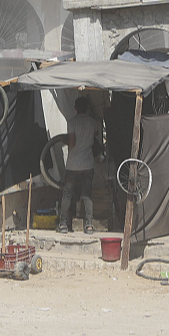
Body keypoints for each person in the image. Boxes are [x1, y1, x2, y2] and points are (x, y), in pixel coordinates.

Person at [54, 96, 100, 234]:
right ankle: (89, 225)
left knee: (67, 194)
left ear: (75, 107)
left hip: (73, 165)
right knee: (87, 195)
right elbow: (96, 133)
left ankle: (63, 225)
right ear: (87, 107)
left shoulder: (72, 122)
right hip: (87, 165)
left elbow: (72, 143)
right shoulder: (93, 122)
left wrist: (64, 139)